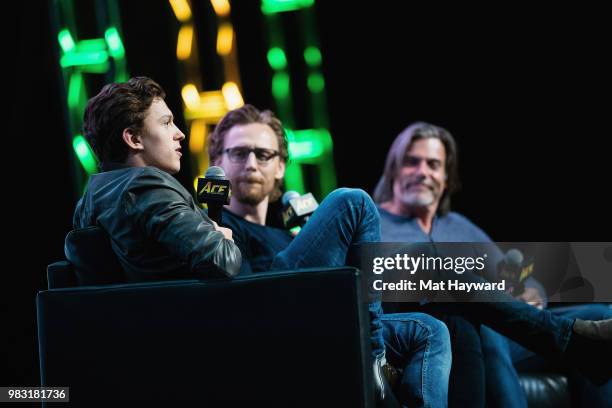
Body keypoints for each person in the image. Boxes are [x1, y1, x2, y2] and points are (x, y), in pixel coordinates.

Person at [208, 104, 452, 407]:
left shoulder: (288, 233)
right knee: (352, 202)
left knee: (430, 330)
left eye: (263, 154)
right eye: (239, 153)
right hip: (272, 315)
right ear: (218, 160)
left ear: (281, 167)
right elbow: (238, 300)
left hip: (325, 316)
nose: (251, 164)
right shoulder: (217, 228)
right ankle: (374, 358)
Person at [373, 121, 612, 406]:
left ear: (446, 178)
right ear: (394, 170)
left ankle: (576, 345)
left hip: (508, 335)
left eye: (433, 164)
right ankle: (567, 339)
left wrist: (530, 292)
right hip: (439, 339)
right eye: (412, 162)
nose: (422, 172)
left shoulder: (460, 227)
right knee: (479, 321)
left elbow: (514, 276)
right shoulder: (373, 221)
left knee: (598, 312)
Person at [72, 76, 241, 281]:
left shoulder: (87, 202)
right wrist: (222, 238)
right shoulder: (148, 186)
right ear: (134, 138)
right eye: (167, 123)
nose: (180, 134)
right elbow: (223, 261)